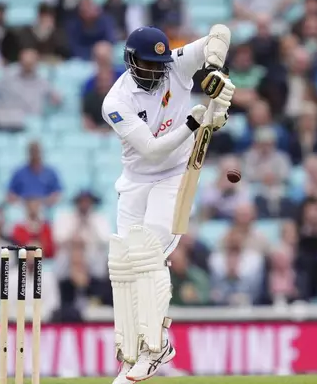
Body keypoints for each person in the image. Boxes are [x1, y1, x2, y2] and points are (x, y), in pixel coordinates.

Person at [101, 25, 234, 383]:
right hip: (136, 179)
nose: (157, 71)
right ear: (130, 61)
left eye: (160, 64)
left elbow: (220, 33)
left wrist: (215, 70)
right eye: (148, 65)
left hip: (175, 175)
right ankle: (132, 355)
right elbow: (153, 149)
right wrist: (200, 116)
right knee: (124, 265)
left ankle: (157, 347)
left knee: (148, 254)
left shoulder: (174, 65)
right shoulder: (116, 102)